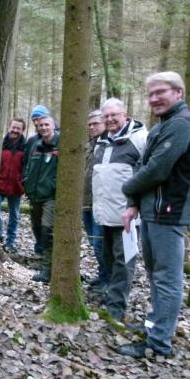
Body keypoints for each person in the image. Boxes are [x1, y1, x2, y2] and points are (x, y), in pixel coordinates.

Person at [117, 71, 190, 358]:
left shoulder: (182, 124)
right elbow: (144, 164)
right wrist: (133, 202)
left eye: (161, 92)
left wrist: (126, 188)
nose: (154, 99)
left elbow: (157, 169)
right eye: (150, 94)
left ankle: (159, 343)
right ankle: (156, 327)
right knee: (155, 274)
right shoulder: (162, 126)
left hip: (170, 212)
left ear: (179, 93)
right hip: (153, 210)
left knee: (167, 278)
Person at [92, 99, 148, 321]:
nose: (109, 119)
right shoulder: (101, 141)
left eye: (114, 115)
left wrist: (136, 207)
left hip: (128, 216)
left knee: (124, 262)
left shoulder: (140, 139)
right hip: (105, 214)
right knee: (107, 258)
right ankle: (110, 296)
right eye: (105, 116)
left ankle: (116, 308)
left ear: (125, 114)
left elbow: (146, 175)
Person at [22, 115, 60, 282]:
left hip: (50, 197)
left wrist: (53, 187)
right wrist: (26, 183)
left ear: (53, 126)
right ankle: (45, 261)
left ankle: (47, 270)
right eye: (41, 125)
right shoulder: (36, 145)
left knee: (47, 231)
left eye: (47, 125)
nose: (43, 128)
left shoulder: (61, 145)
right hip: (34, 196)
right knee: (37, 229)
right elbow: (29, 167)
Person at [82, 110, 108, 289]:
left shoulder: (108, 144)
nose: (92, 127)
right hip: (86, 201)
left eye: (95, 124)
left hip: (102, 203)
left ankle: (107, 280)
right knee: (93, 241)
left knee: (100, 243)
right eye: (89, 124)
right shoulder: (88, 145)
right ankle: (102, 275)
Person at [0, 117, 26, 254]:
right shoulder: (0, 143)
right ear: (9, 127)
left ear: (22, 130)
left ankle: (10, 241)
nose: (15, 130)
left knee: (14, 215)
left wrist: (23, 182)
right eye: (13, 127)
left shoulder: (25, 146)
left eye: (18, 128)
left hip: (16, 187)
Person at [24, 104, 51, 255]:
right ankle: (39, 250)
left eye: (40, 119)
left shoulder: (59, 138)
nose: (37, 123)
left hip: (49, 192)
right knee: (35, 224)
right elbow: (26, 164)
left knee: (47, 226)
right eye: (34, 120)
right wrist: (26, 183)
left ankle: (46, 256)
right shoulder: (32, 141)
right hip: (33, 192)